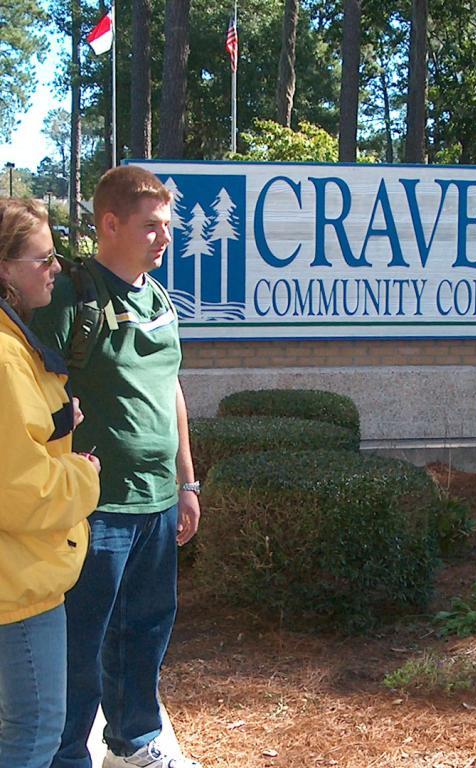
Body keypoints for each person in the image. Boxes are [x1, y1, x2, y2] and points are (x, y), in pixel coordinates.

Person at [31, 166, 201, 768]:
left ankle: (132, 742)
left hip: (157, 502)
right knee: (81, 644)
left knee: (145, 633)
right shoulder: (70, 299)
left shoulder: (158, 299)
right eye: (151, 226)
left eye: (167, 225)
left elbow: (170, 389)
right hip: (96, 506)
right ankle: (63, 755)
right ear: (109, 225)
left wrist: (187, 482)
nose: (165, 237)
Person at [0, 197, 101, 768]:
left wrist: (60, 421)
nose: (56, 267)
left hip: (20, 572)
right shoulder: (6, 357)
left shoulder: (13, 347)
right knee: (34, 733)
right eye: (43, 259)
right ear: (5, 269)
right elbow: (19, 490)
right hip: (18, 583)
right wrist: (83, 476)